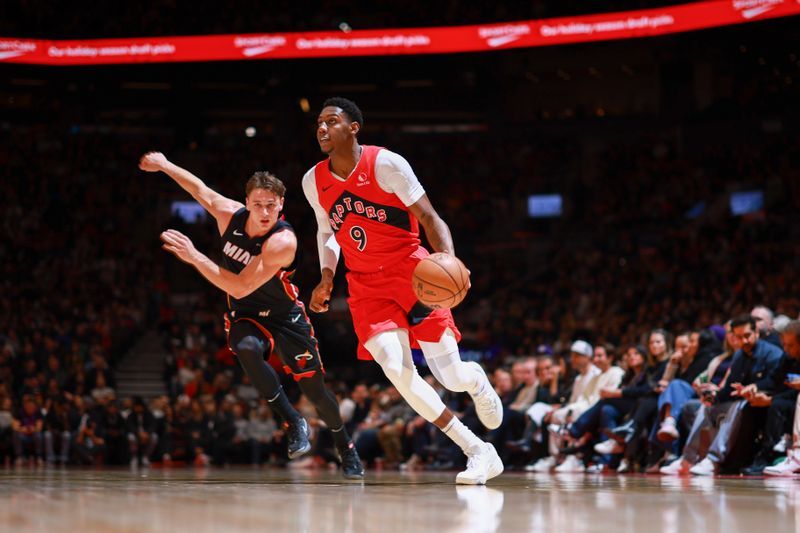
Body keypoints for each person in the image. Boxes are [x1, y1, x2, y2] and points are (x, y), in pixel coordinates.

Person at [301, 97, 503, 484]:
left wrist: (449, 260)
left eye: (331, 122)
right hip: (364, 284)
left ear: (354, 127)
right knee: (395, 368)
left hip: (413, 275)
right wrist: (326, 276)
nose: (322, 129)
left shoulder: (387, 164)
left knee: (450, 377)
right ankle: (478, 449)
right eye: (319, 124)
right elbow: (327, 231)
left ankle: (474, 379)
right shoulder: (313, 180)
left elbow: (429, 216)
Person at [139, 151, 364, 479]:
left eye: (271, 205)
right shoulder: (229, 214)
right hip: (246, 314)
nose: (264, 212)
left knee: (316, 392)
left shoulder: (283, 242)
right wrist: (164, 165)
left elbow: (241, 285)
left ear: (281, 205)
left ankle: (344, 445)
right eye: (258, 204)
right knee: (244, 348)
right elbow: (199, 189)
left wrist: (194, 257)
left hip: (284, 316)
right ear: (246, 203)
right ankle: (292, 420)